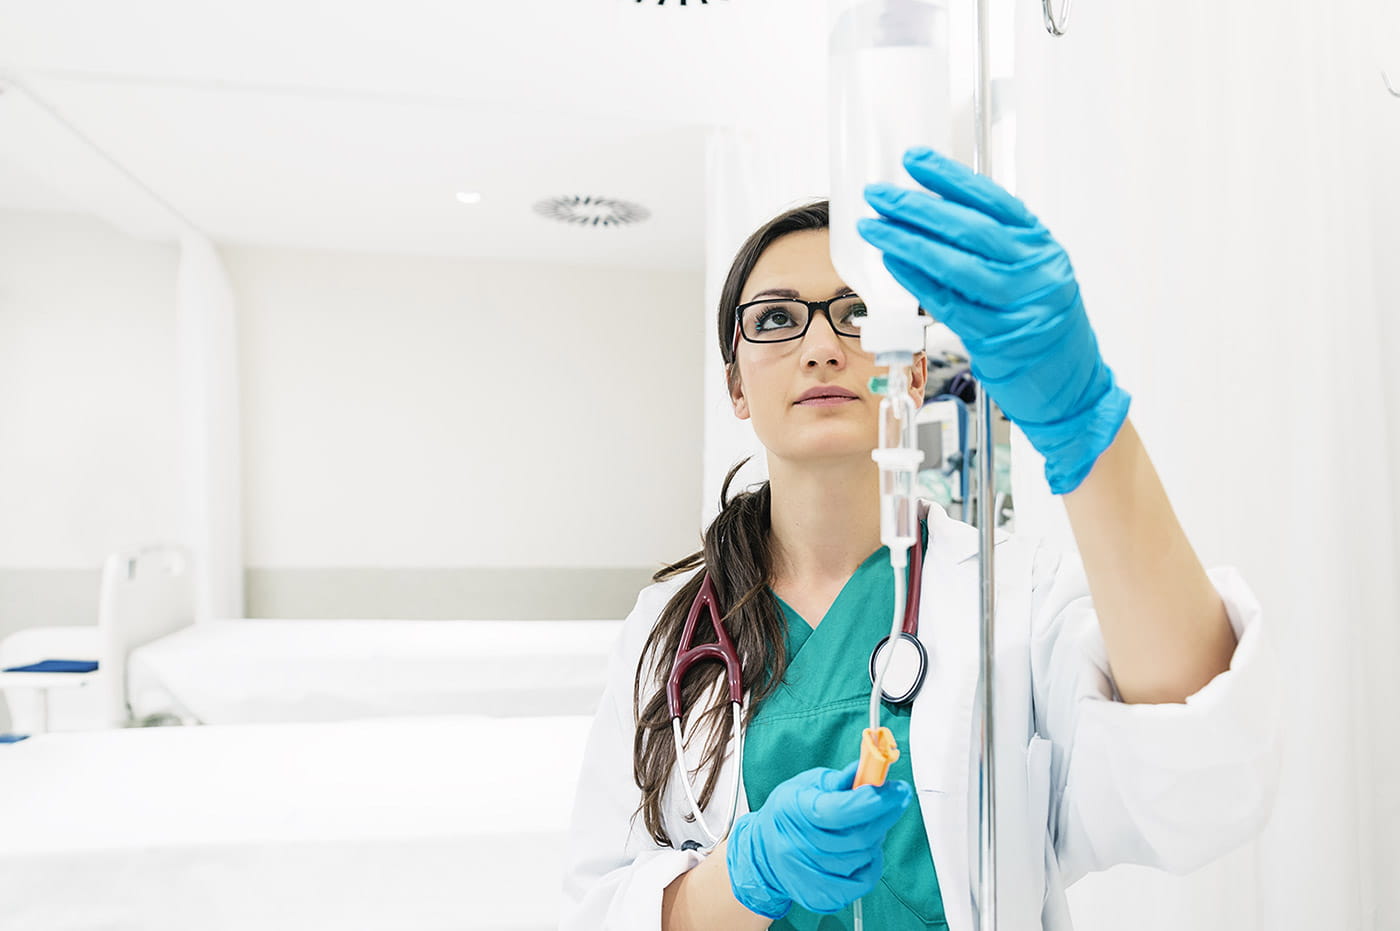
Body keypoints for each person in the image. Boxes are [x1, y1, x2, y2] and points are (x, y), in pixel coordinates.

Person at [561, 146, 1281, 930]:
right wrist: (745, 875)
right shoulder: (667, 630)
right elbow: (603, 907)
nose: (821, 347)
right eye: (775, 319)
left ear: (909, 369)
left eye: (859, 314)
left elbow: (1202, 780)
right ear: (737, 384)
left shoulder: (1009, 593)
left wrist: (1084, 423)